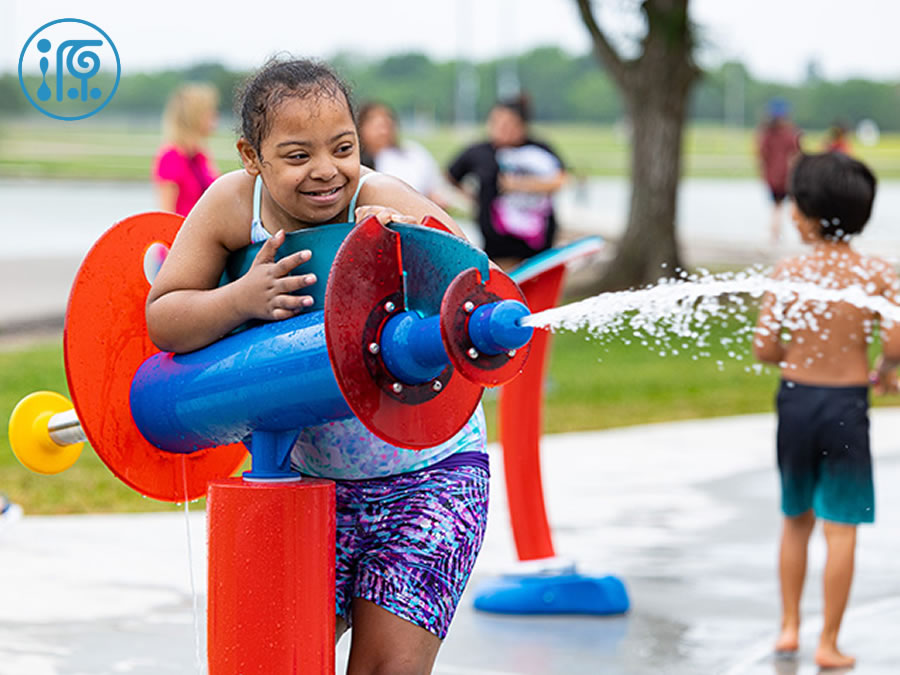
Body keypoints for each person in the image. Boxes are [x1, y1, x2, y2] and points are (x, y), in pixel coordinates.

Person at [145, 57, 489, 674]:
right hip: (308, 484)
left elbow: (474, 281)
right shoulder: (231, 204)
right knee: (275, 658)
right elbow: (164, 316)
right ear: (253, 157)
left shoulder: (378, 196)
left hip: (429, 476)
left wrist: (409, 248)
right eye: (298, 155)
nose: (326, 171)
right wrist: (239, 299)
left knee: (385, 668)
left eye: (343, 147)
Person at [753, 152, 900, 669]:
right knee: (841, 528)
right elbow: (897, 337)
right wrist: (885, 369)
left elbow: (764, 347)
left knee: (795, 519)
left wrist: (793, 353)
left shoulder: (789, 270)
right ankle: (829, 642)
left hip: (795, 401)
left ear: (807, 215)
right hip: (845, 405)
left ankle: (789, 628)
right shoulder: (878, 273)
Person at [447, 94, 568, 270]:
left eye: (508, 123)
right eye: (496, 122)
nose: (501, 128)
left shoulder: (539, 149)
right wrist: (473, 197)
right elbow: (451, 176)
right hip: (497, 247)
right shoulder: (479, 152)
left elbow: (561, 179)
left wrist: (520, 185)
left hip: (536, 244)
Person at [357, 101, 447, 207]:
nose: (383, 131)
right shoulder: (358, 161)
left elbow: (433, 189)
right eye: (377, 126)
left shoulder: (413, 154)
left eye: (386, 125)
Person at [152, 82, 220, 216]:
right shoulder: (171, 157)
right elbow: (166, 214)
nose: (215, 117)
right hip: (184, 232)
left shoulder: (199, 155)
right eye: (210, 112)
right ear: (194, 117)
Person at [757, 98, 802, 244]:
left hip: (772, 177)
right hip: (788, 176)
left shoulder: (765, 134)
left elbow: (761, 155)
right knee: (796, 206)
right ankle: (802, 236)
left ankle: (774, 237)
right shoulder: (791, 133)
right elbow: (797, 154)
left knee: (776, 208)